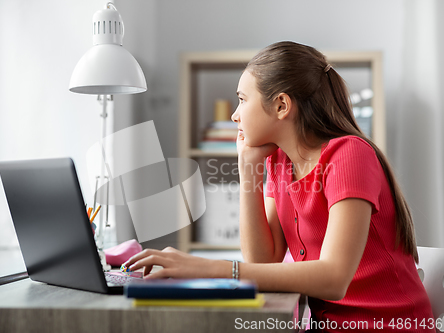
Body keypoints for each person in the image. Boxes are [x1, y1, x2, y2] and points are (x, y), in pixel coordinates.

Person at [123, 41, 435, 332]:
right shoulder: (279, 163)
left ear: (282, 105)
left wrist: (205, 268)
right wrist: (248, 173)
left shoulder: (349, 154)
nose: (234, 115)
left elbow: (334, 278)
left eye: (242, 100)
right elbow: (263, 262)